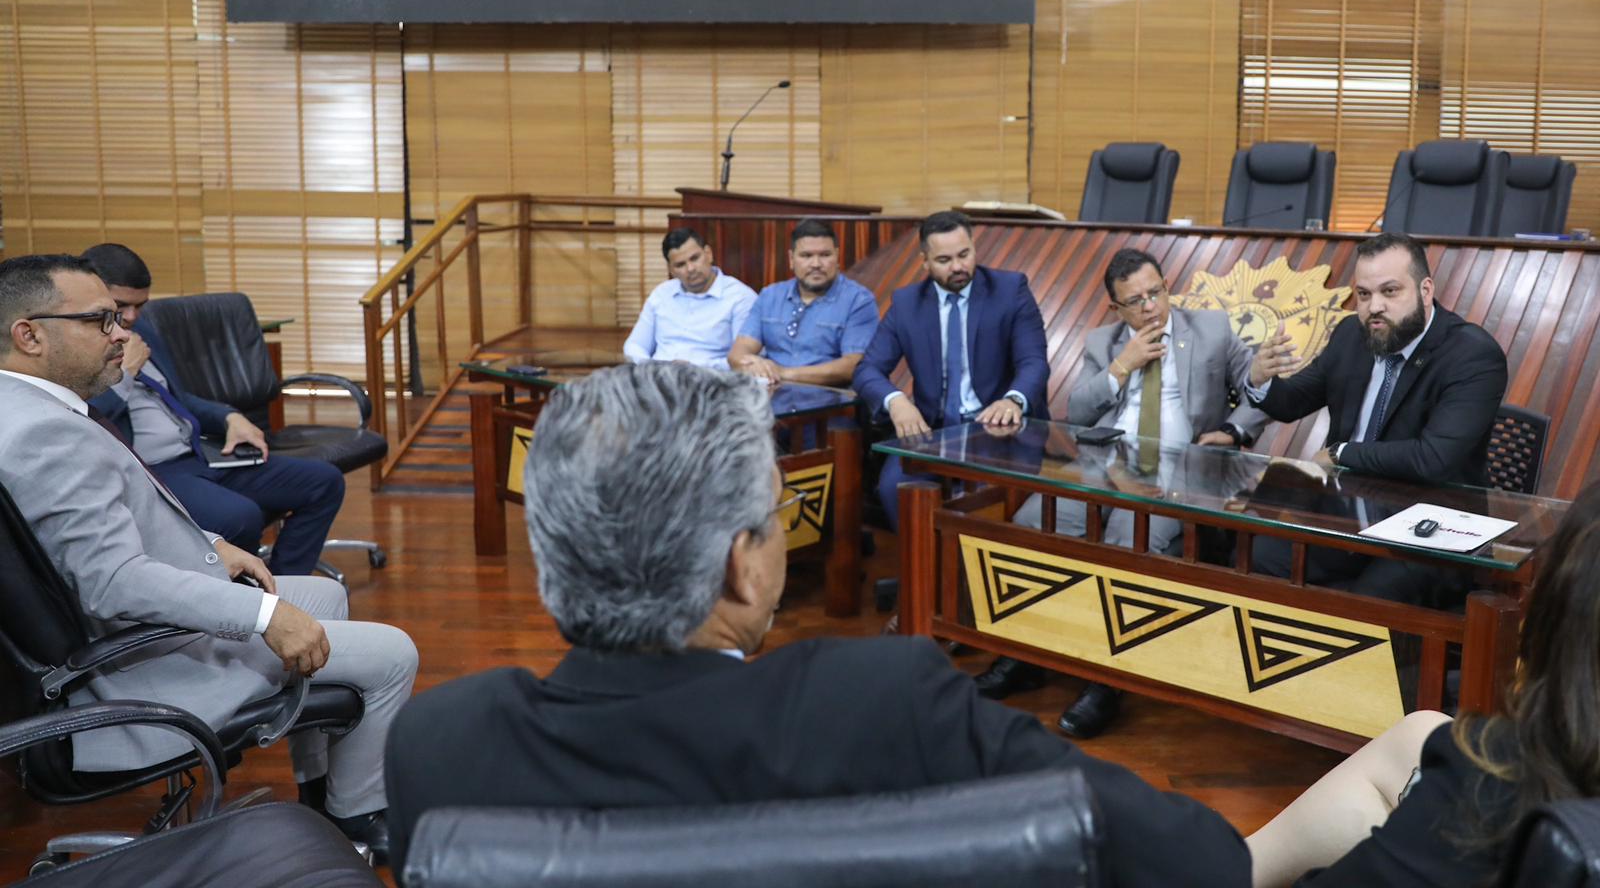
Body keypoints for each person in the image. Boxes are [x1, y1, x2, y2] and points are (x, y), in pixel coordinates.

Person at [383, 362, 1249, 881]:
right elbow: (1199, 861)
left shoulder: (440, 744)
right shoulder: (884, 701)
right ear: (739, 562)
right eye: (770, 519)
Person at [0, 254, 417, 864]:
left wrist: (212, 546)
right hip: (121, 671)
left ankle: (321, 791)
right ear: (29, 334)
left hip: (108, 637)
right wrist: (263, 616)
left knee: (324, 596)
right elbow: (112, 581)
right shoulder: (45, 432)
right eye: (100, 320)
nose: (121, 333)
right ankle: (358, 820)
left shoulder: (22, 409)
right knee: (394, 651)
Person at [978, 248, 1272, 739]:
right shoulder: (1105, 340)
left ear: (1166, 286)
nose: (1150, 307)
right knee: (1031, 524)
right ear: (1116, 309)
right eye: (1135, 301)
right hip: (1105, 468)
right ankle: (1024, 652)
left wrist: (1234, 430)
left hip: (1183, 476)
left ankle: (1105, 681)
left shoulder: (1212, 330)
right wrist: (1121, 366)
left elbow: (1256, 387)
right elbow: (1077, 413)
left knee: (1126, 538)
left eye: (1155, 292)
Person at [1250, 486, 1600, 886]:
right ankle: (1240, 866)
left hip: (1434, 538)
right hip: (1368, 518)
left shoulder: (1487, 782)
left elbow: (1430, 459)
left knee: (1373, 598)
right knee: (1419, 729)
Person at [1244, 232, 1508, 601]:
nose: (1374, 307)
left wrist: (1342, 453)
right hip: (1351, 512)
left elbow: (1433, 458)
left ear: (1425, 290)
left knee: (1372, 597)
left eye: (1390, 291)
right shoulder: (1352, 335)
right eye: (1364, 295)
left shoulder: (1472, 355)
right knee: (1262, 557)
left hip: (1432, 525)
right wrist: (1260, 381)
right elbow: (1292, 402)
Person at [79, 243, 345, 577]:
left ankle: (286, 587)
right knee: (241, 516)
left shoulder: (142, 332)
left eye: (140, 306)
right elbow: (82, 418)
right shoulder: (77, 349)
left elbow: (179, 398)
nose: (132, 317)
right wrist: (126, 374)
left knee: (324, 481)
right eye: (121, 306)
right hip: (154, 472)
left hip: (198, 454)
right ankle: (244, 605)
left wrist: (229, 417)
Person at [852, 211, 1049, 529]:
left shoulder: (1010, 289)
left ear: (974, 247)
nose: (958, 266)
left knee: (986, 502)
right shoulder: (907, 303)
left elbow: (1034, 361)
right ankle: (928, 575)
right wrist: (896, 401)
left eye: (964, 254)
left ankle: (973, 575)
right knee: (893, 489)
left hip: (998, 430)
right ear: (925, 261)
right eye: (944, 259)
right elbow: (867, 369)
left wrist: (1013, 400)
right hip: (934, 432)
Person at [727, 218, 879, 387]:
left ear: (837, 257)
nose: (816, 264)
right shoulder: (770, 296)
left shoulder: (858, 301)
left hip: (830, 403)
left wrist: (783, 373)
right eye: (806, 256)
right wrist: (753, 365)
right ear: (791, 259)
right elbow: (737, 353)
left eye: (825, 255)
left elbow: (852, 366)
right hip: (771, 399)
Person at [623, 227, 757, 369]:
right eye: (680, 265)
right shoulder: (661, 294)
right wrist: (653, 368)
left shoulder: (740, 298)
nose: (690, 268)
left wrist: (694, 368)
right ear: (671, 270)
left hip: (712, 383)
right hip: (660, 379)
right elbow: (634, 345)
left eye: (694, 258)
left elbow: (744, 360)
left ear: (708, 254)